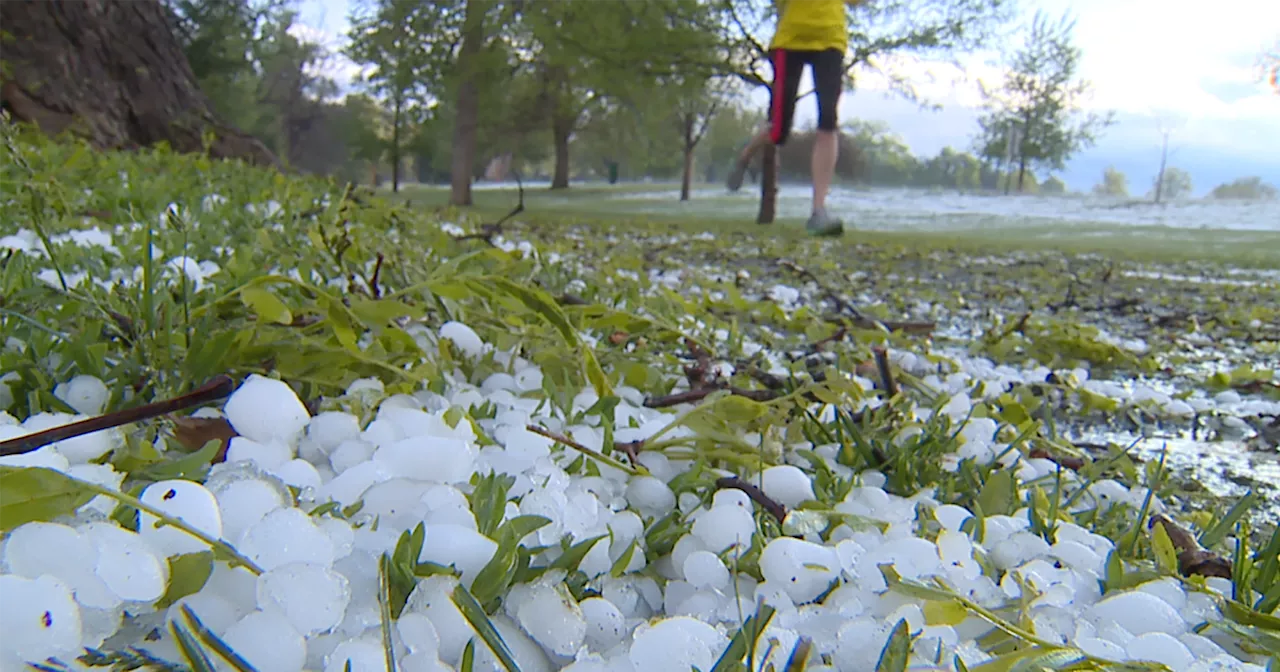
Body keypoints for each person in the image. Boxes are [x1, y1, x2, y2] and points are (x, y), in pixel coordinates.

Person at [726, 0, 861, 237]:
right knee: (779, 132)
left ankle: (818, 211)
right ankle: (745, 155)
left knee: (828, 122)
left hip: (831, 39)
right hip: (790, 40)